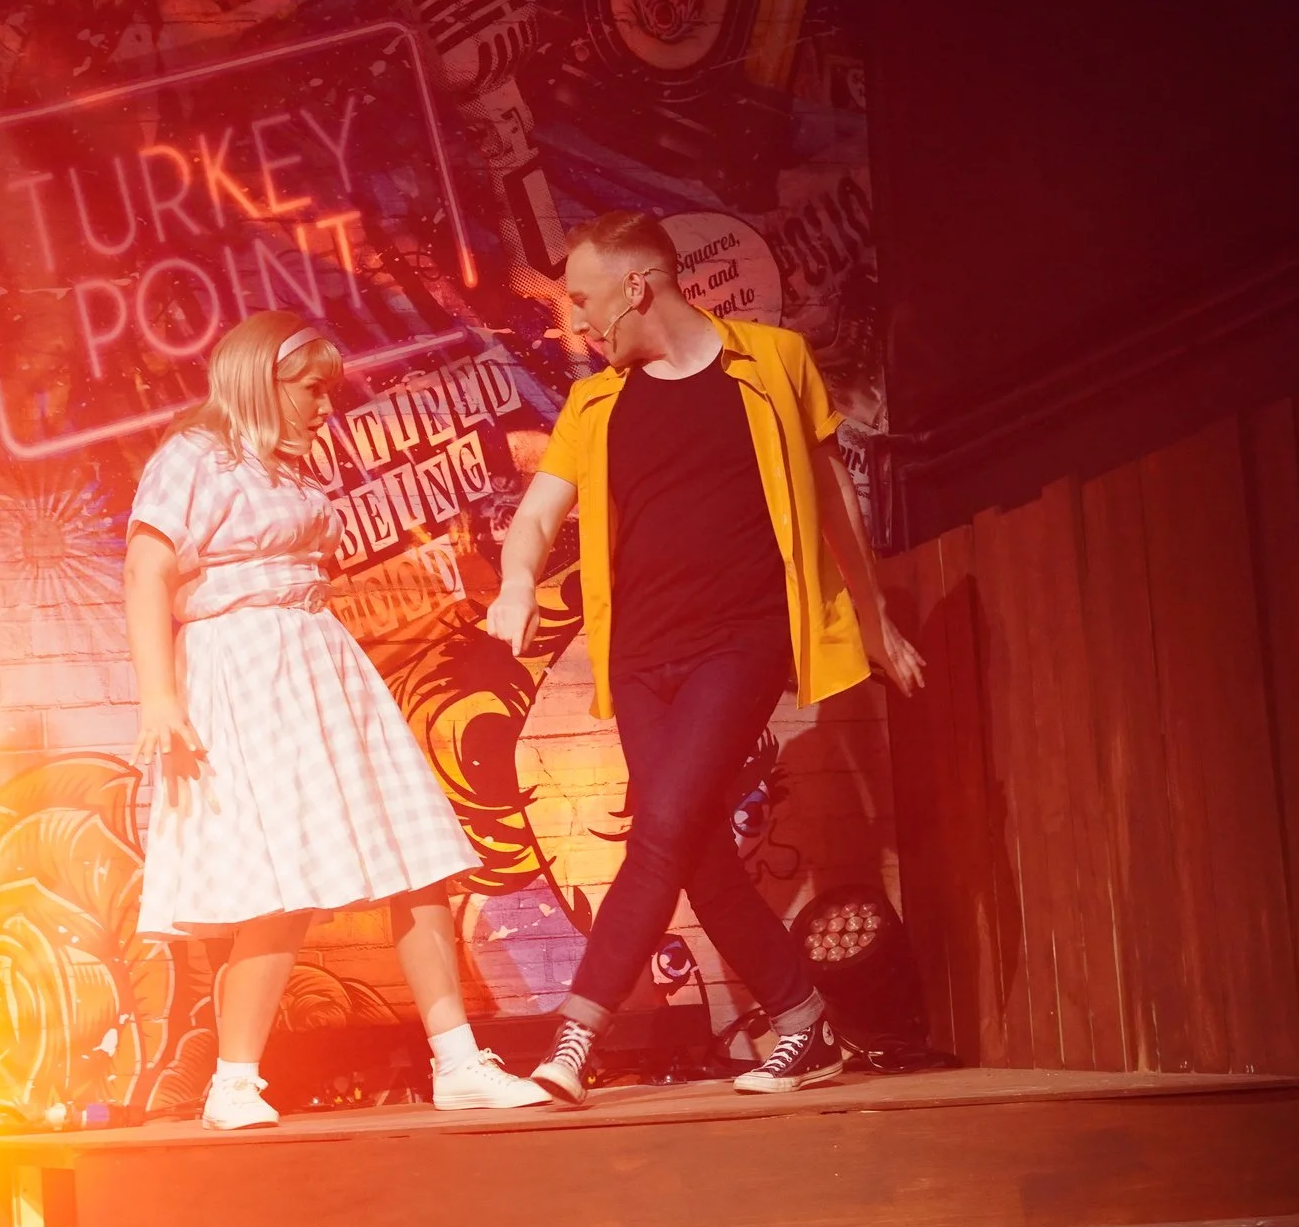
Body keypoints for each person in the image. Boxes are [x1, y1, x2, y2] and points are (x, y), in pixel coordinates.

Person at [485, 211, 926, 1104]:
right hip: (641, 656)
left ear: (637, 286)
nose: (576, 321)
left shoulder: (772, 362)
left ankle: (575, 1036)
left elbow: (831, 493)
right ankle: (804, 1021)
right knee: (691, 849)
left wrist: (874, 616)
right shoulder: (595, 406)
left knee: (662, 826)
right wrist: (517, 582)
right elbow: (537, 513)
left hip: (742, 641)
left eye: (584, 298)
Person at [126, 310, 548, 1130]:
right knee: (278, 878)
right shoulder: (194, 456)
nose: (326, 407)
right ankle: (233, 1082)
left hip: (320, 659)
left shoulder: (286, 467)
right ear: (259, 381)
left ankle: (458, 1060)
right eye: (310, 389)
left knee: (415, 852)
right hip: (243, 668)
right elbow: (146, 570)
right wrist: (159, 696)